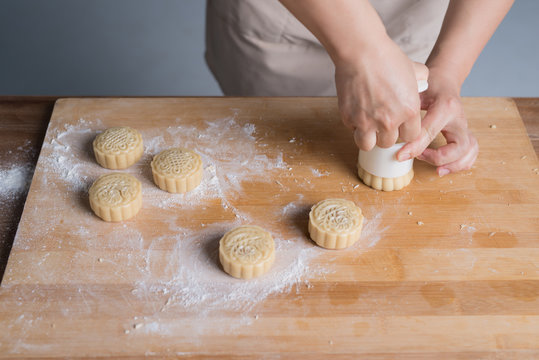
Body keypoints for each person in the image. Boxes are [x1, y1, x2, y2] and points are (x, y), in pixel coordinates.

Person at [205, 0, 514, 176]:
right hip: (285, 22)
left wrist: (448, 69)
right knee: (266, 143)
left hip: (414, 16)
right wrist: (362, 47)